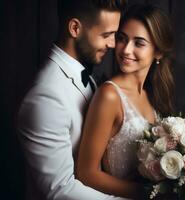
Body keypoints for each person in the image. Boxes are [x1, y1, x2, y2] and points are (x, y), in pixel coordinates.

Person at [17, 0, 128, 199]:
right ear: (75, 28)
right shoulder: (46, 98)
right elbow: (61, 190)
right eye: (106, 35)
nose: (113, 44)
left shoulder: (84, 74)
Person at [76, 4, 175, 199]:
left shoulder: (151, 96)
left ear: (158, 52)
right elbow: (86, 174)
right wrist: (147, 194)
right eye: (122, 39)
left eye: (139, 43)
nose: (126, 49)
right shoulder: (109, 95)